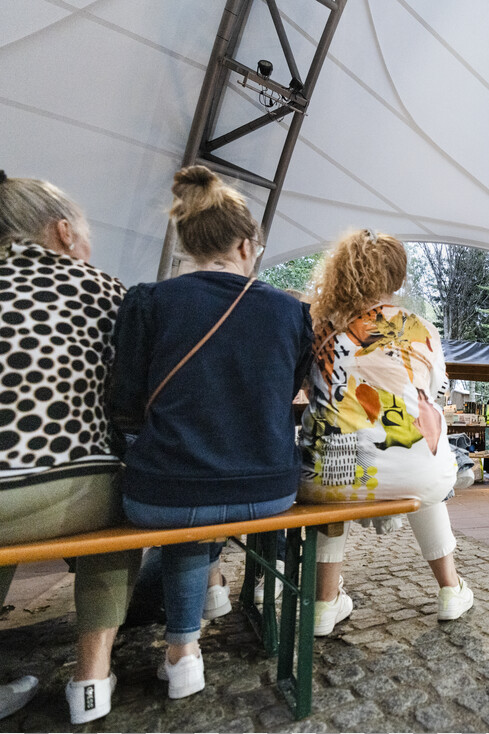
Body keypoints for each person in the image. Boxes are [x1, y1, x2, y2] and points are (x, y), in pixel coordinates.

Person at [109, 165, 313, 700]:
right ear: (247, 245)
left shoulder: (149, 301)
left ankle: (183, 654)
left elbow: (125, 403)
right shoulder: (290, 312)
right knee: (204, 489)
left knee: (186, 501)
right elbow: (287, 391)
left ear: (186, 242)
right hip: (270, 489)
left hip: (172, 495)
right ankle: (221, 594)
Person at [0, 172, 142, 724]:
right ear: (62, 231)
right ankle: (91, 677)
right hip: (80, 492)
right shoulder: (106, 292)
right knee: (115, 525)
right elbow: (130, 401)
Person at [297, 229, 474, 636]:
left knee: (337, 455)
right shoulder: (419, 327)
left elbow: (311, 390)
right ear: (396, 280)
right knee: (424, 462)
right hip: (415, 471)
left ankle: (325, 603)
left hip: (328, 475)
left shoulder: (320, 327)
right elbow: (433, 393)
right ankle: (450, 589)